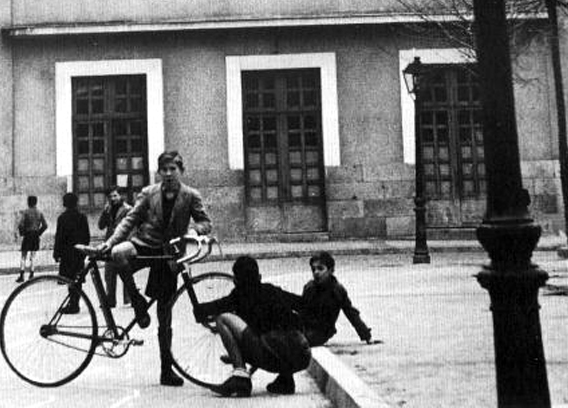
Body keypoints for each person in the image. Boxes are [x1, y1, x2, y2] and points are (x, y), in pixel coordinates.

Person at [96, 150, 212, 387]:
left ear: (181, 171)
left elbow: (205, 222)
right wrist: (110, 242)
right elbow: (129, 220)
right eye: (164, 169)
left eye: (173, 169)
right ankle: (137, 302)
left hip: (168, 255)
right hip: (144, 246)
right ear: (159, 172)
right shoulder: (149, 193)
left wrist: (194, 232)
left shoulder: (191, 196)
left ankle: (166, 369)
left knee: (164, 314)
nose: (168, 174)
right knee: (118, 254)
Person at [194, 256, 310, 397]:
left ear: (236, 281)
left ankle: (240, 375)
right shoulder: (272, 290)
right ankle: (286, 380)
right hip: (301, 357)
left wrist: (199, 310)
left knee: (223, 319)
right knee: (279, 333)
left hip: (269, 358)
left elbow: (215, 307)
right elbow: (302, 304)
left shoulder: (238, 295)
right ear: (259, 277)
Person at [299, 251, 372, 347]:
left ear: (331, 270)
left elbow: (350, 312)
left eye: (320, 269)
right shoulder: (309, 287)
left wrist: (366, 335)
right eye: (313, 269)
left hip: (321, 331)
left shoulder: (337, 290)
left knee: (299, 341)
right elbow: (302, 310)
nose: (316, 272)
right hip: (305, 327)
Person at [53, 192, 91, 313]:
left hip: (67, 254)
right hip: (79, 252)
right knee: (77, 279)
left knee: (69, 279)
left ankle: (73, 304)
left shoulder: (62, 218)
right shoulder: (82, 217)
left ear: (65, 203)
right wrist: (84, 250)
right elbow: (87, 236)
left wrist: (56, 253)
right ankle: (75, 302)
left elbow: (59, 237)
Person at [97, 186, 131, 308]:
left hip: (123, 243)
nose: (113, 199)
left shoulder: (128, 209)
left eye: (115, 195)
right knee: (109, 273)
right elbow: (101, 226)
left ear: (121, 196)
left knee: (126, 270)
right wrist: (104, 212)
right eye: (110, 196)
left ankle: (130, 297)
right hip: (109, 244)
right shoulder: (108, 210)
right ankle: (110, 299)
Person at [16, 195, 48, 282]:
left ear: (28, 202)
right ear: (36, 202)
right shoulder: (39, 212)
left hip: (28, 235)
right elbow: (45, 225)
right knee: (33, 256)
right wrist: (39, 233)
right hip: (35, 235)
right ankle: (32, 274)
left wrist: (22, 233)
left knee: (23, 255)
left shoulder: (26, 212)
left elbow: (20, 224)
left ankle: (22, 275)